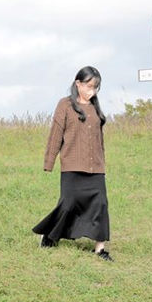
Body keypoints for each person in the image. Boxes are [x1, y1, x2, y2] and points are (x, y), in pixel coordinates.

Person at [32, 66, 113, 262]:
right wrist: (49, 162)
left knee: (100, 203)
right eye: (89, 86)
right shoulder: (65, 105)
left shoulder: (95, 108)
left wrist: (103, 164)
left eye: (95, 88)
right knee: (67, 205)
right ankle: (50, 235)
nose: (91, 91)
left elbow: (98, 139)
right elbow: (55, 136)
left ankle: (100, 248)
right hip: (72, 166)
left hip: (95, 168)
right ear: (78, 84)